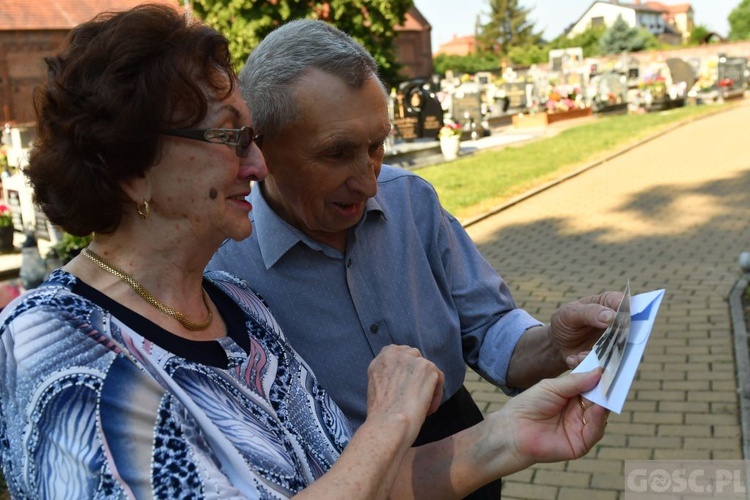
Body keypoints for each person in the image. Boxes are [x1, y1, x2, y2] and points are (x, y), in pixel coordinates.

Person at [0, 4, 609, 498]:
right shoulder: (49, 346)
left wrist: (512, 434)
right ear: (129, 166)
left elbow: (355, 478)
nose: (256, 164)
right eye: (231, 138)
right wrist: (392, 421)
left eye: (377, 147)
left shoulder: (237, 311)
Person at [207, 19, 621, 498]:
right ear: (262, 149)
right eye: (337, 153)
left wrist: (553, 342)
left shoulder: (412, 201)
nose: (368, 181)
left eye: (377, 146)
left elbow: (488, 329)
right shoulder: (221, 265)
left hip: (463, 444)